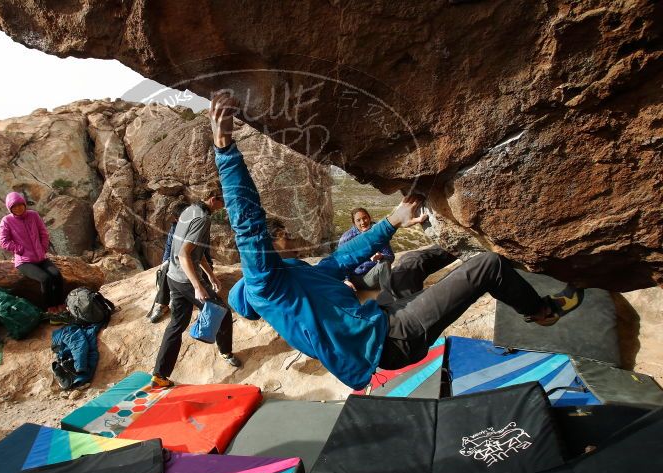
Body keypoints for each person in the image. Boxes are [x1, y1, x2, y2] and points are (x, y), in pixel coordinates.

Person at [209, 91, 584, 390]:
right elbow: (248, 224)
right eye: (281, 239)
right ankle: (540, 312)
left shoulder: (293, 280)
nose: (285, 239)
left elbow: (342, 259)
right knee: (489, 267)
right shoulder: (266, 285)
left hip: (380, 319)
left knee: (411, 264)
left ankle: (460, 247)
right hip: (390, 340)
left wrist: (393, 220)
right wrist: (225, 150)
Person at [151, 189, 240, 388]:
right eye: (223, 200)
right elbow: (184, 254)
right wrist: (198, 286)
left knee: (177, 324)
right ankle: (226, 352)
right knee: (222, 313)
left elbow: (195, 254)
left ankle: (160, 375)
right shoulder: (202, 219)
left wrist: (210, 275)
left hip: (172, 276)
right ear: (213, 198)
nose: (224, 204)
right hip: (185, 279)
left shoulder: (189, 210)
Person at [0, 192, 65, 313]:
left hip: (41, 258)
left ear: (24, 204)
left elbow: (43, 233)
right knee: (45, 279)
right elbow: (4, 242)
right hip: (24, 261)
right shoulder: (6, 221)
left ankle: (61, 304)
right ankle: (51, 309)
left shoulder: (33, 215)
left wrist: (43, 248)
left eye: (20, 205)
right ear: (10, 208)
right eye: (14, 206)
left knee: (57, 275)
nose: (18, 208)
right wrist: (20, 249)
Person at [339, 207, 395, 291]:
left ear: (369, 218)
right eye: (358, 220)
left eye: (364, 218)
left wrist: (381, 256)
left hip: (373, 275)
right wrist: (346, 280)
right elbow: (341, 261)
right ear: (354, 223)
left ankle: (387, 296)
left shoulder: (377, 233)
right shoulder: (347, 238)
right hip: (356, 278)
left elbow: (390, 256)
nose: (362, 222)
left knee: (385, 263)